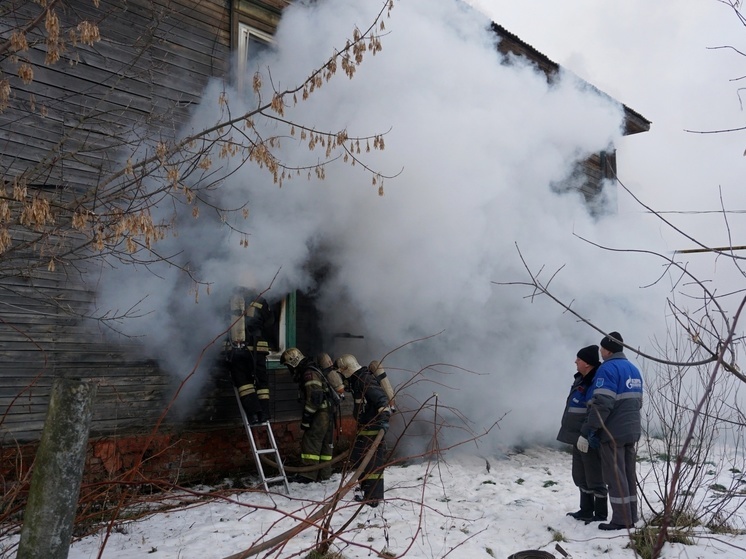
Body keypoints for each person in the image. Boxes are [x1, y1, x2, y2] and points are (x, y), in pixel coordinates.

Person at [579, 331, 644, 531]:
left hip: (613, 433)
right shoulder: (633, 369)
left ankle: (620, 520)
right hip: (631, 431)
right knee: (627, 474)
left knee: (615, 477)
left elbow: (602, 404)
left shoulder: (607, 370)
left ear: (607, 349)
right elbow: (638, 402)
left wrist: (589, 429)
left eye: (601, 349)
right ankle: (631, 515)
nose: (600, 352)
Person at [556, 345, 607, 523]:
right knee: (580, 475)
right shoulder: (580, 380)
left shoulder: (596, 382)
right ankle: (585, 510)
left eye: (578, 359)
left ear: (587, 363)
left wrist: (587, 434)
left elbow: (595, 411)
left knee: (594, 476)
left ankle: (600, 514)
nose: (575, 362)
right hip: (577, 437)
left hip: (588, 437)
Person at [335, 354, 391, 507]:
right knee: (362, 459)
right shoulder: (356, 379)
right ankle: (366, 490)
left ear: (346, 369)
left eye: (341, 371)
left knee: (373, 463)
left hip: (374, 428)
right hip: (366, 427)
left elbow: (380, 398)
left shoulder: (364, 379)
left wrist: (384, 417)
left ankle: (373, 498)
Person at [280, 348, 335, 483]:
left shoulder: (308, 373)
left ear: (294, 362)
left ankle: (308, 476)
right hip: (328, 412)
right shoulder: (313, 369)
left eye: (288, 366)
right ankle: (324, 474)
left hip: (320, 414)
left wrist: (307, 418)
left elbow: (315, 398)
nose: (289, 369)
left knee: (311, 442)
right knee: (325, 444)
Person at [226, 288, 274, 424]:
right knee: (262, 383)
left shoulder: (229, 300)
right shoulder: (260, 300)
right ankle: (264, 413)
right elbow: (270, 322)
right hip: (258, 348)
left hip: (238, 348)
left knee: (244, 382)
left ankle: (253, 414)